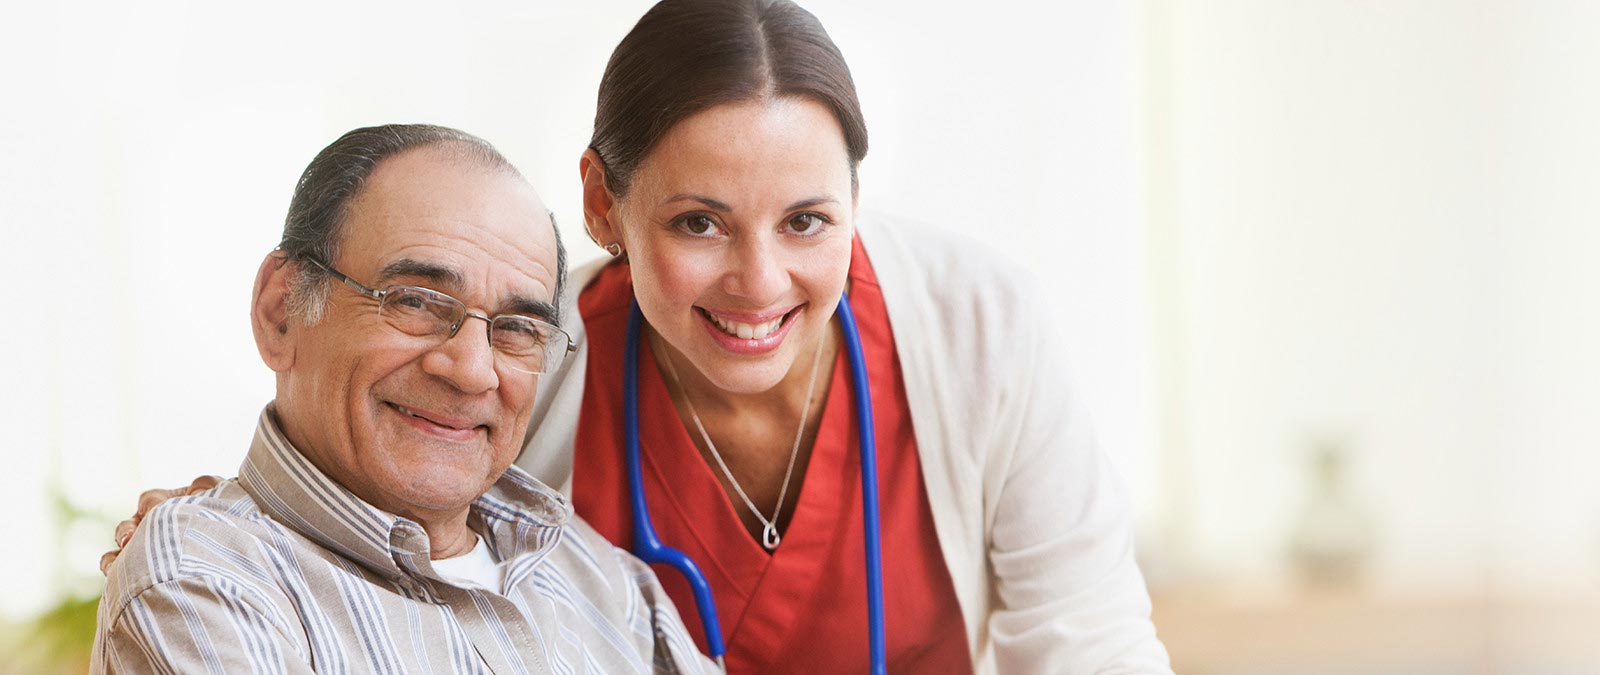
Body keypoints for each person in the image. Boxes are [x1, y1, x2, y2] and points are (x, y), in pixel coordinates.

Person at [109, 1, 1173, 672]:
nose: (759, 282)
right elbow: (371, 477)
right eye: (697, 222)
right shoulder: (527, 356)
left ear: (857, 202)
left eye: (808, 221)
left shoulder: (974, 325)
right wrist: (218, 522)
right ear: (605, 206)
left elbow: (1091, 645)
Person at [92, 124, 713, 674]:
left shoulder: (598, 575)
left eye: (517, 328)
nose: (472, 371)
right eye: (414, 301)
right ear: (281, 312)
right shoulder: (206, 581)